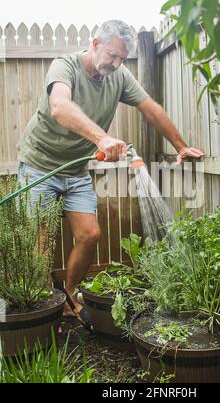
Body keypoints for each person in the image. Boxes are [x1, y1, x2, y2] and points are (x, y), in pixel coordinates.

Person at [17, 20, 205, 318]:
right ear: (95, 44)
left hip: (75, 170)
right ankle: (38, 310)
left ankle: (68, 296)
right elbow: (60, 107)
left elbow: (150, 108)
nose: (116, 64)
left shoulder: (119, 76)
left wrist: (180, 146)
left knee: (90, 234)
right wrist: (102, 138)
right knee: (39, 241)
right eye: (112, 55)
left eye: (122, 58)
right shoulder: (64, 67)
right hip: (41, 166)